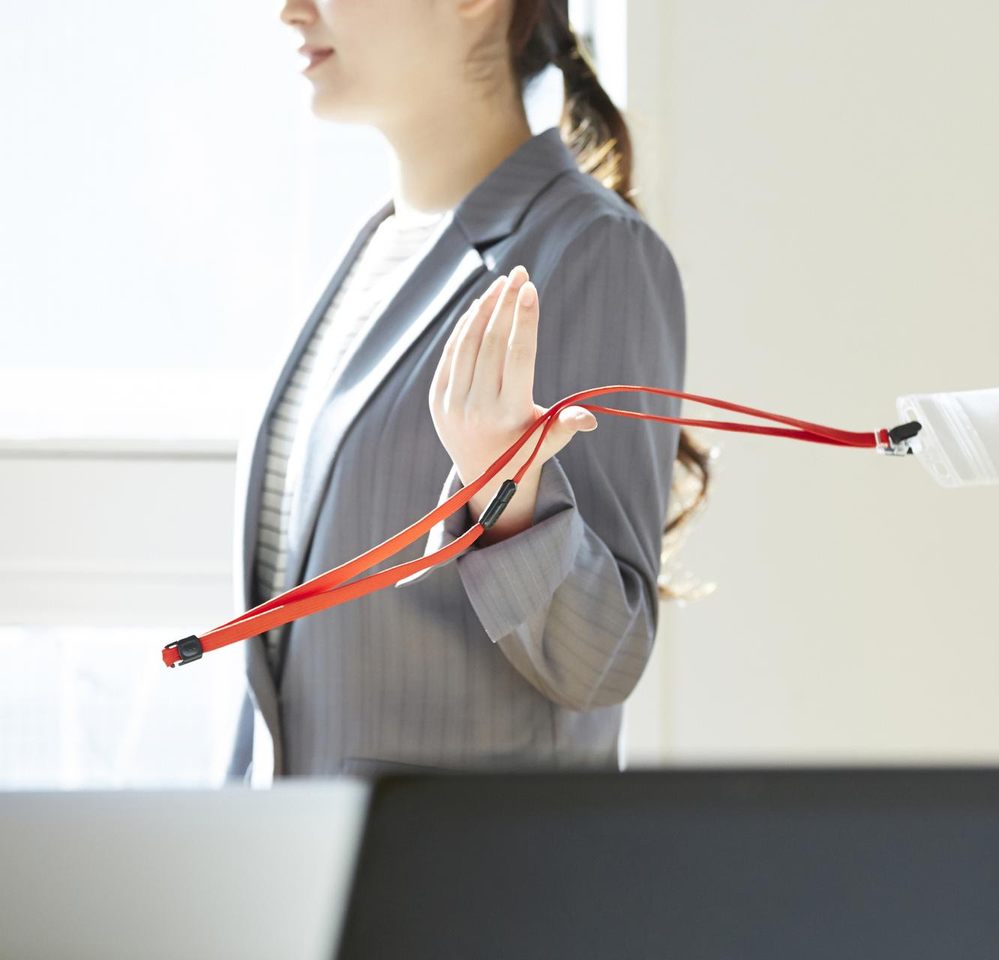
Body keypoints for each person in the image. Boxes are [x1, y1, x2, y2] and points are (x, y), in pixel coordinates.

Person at [227, 0, 711, 781]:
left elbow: (604, 657)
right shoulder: (367, 257)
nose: (290, 10)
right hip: (308, 847)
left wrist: (505, 497)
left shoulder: (590, 251)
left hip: (458, 855)